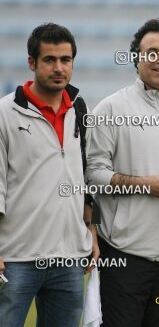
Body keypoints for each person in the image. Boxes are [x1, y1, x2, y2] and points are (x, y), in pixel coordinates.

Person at [85, 18, 159, 327]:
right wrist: (143, 185)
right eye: (152, 52)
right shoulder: (110, 109)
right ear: (136, 58)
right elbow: (92, 175)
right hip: (124, 254)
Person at [0, 23, 98, 327]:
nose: (59, 68)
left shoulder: (79, 110)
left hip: (69, 260)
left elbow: (85, 175)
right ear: (32, 63)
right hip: (16, 258)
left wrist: (91, 229)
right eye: (49, 60)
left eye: (65, 60)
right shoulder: (5, 113)